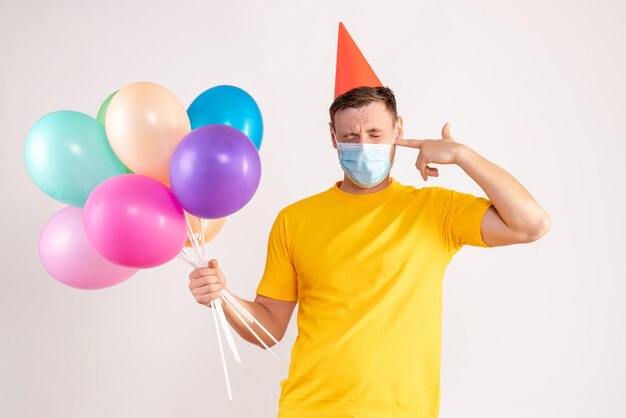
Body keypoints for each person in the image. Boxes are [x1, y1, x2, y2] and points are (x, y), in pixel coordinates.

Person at [188, 23, 551, 418]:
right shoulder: (295, 220)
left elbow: (531, 223)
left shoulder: (436, 211)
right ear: (332, 137)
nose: (363, 146)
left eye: (376, 133)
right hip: (310, 408)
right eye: (350, 136)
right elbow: (270, 327)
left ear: (399, 131)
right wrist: (222, 297)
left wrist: (463, 155)